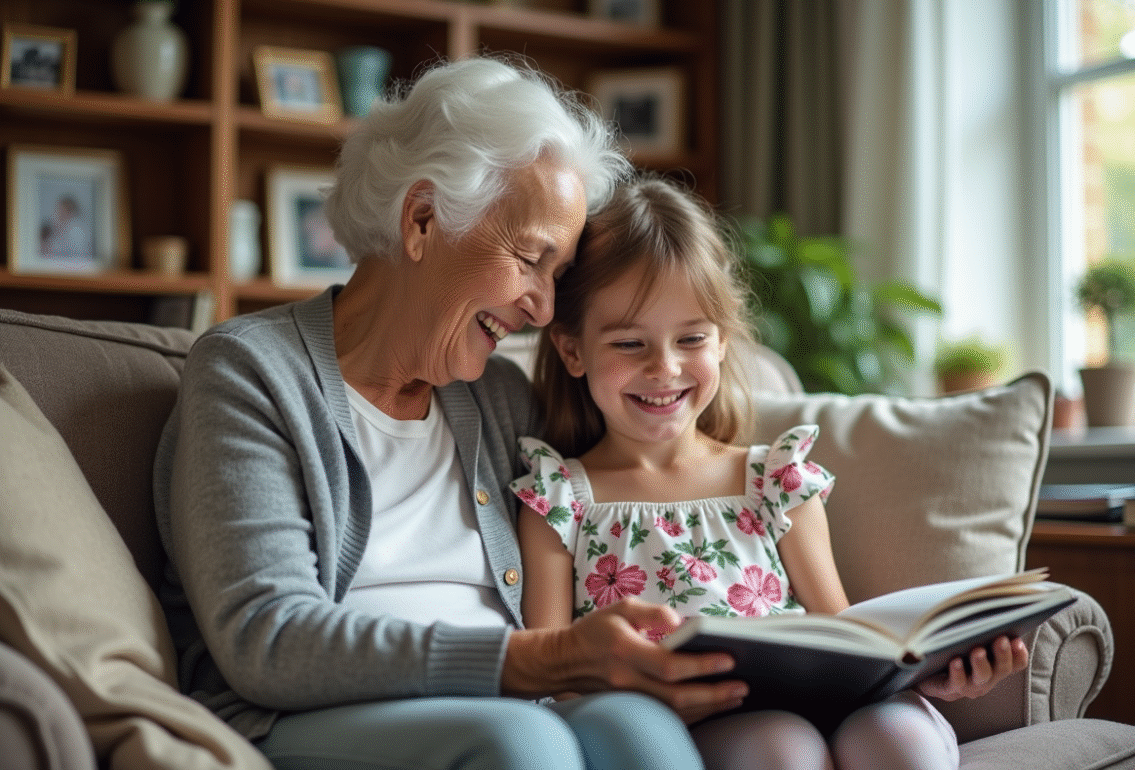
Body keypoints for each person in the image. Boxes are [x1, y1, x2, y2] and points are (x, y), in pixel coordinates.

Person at [154, 58, 747, 770]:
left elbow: (646, 468)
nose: (544, 308)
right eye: (531, 259)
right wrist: (542, 659)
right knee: (522, 743)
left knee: (636, 729)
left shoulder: (499, 398)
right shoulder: (250, 371)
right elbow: (268, 639)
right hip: (302, 718)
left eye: (557, 277)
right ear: (423, 219)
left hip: (510, 706)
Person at [511, 174, 1030, 770]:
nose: (665, 367)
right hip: (696, 727)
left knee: (897, 739)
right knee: (780, 749)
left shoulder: (775, 480)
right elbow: (551, 676)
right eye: (630, 344)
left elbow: (845, 637)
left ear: (725, 341)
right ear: (573, 351)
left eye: (692, 339)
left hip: (824, 705)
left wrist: (934, 673)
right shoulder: (559, 498)